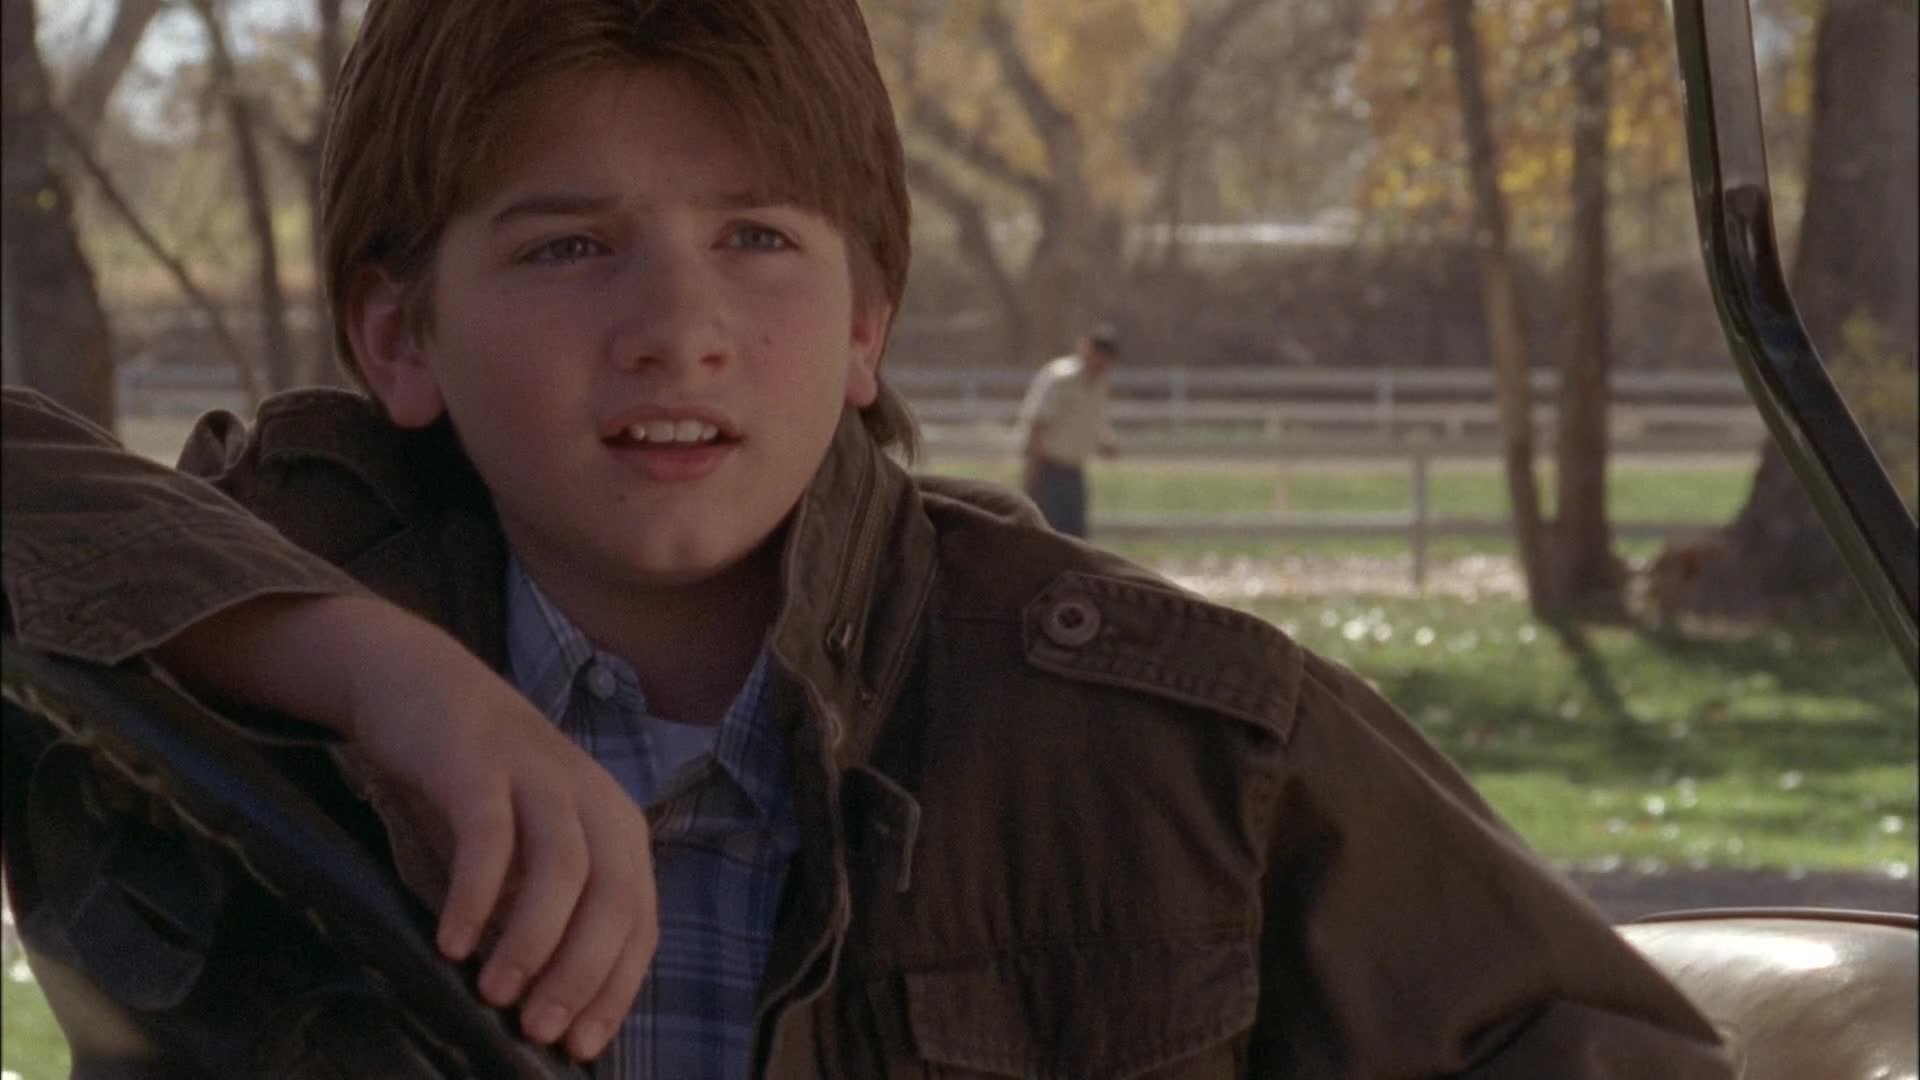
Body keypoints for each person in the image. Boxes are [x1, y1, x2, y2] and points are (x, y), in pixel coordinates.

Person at [0, 0, 1736, 1075]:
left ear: (866, 323)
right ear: (398, 334)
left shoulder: (1187, 749)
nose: (678, 330)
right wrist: (367, 671)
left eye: (758, 239)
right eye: (567, 246)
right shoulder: (214, 696)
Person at [1017, 325, 1121, 538]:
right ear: (1087, 350)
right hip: (1048, 469)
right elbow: (1038, 423)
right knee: (1047, 533)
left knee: (1075, 535)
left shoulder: (1100, 384)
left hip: (1074, 470)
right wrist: (1032, 470)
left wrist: (1104, 442)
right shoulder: (1061, 378)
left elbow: (1091, 420)